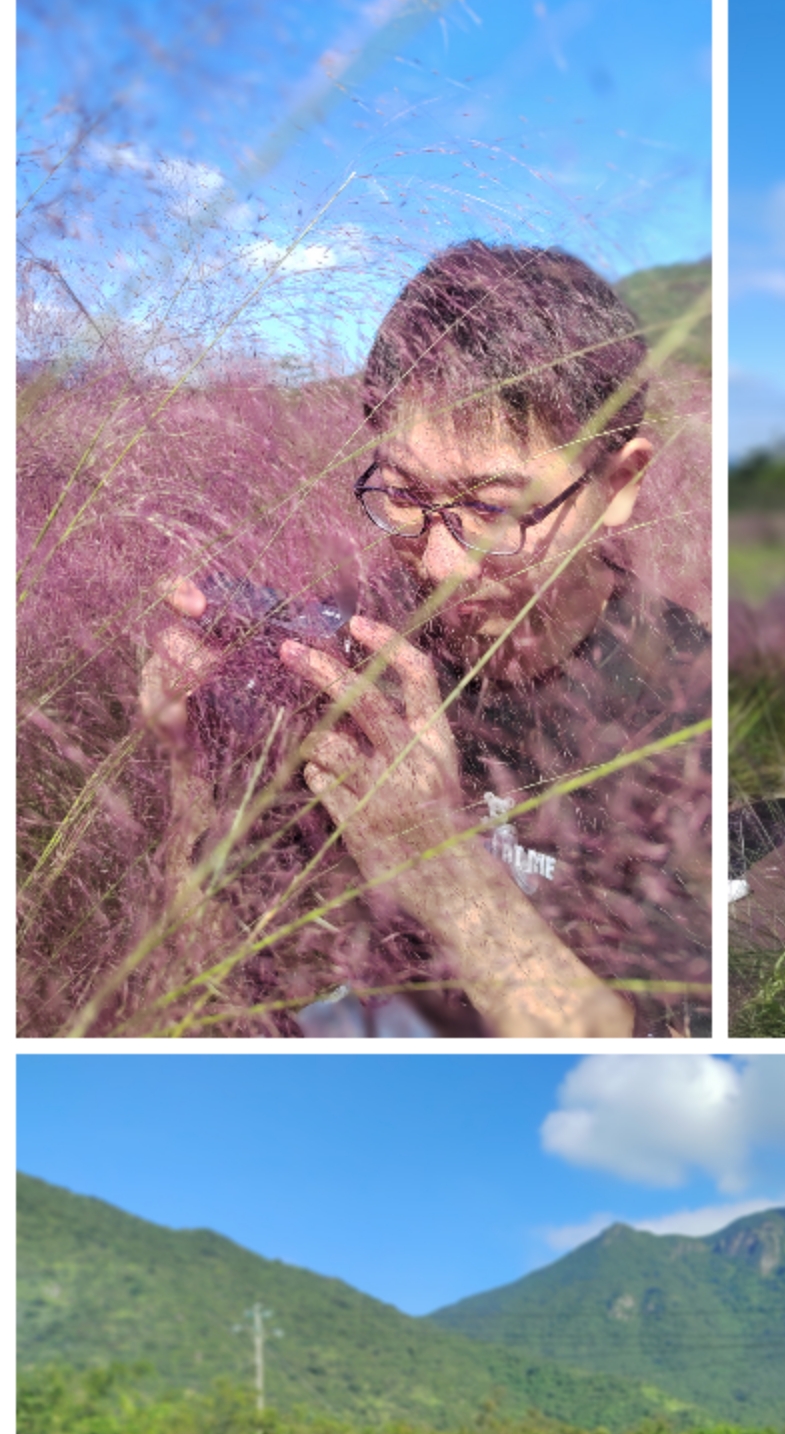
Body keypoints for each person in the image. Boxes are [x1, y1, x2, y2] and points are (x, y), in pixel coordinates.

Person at [136, 240, 711, 1038]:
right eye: (403, 495)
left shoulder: (693, 711)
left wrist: (442, 867)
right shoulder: (351, 649)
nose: (438, 565)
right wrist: (190, 765)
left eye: (493, 511)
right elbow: (197, 989)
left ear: (618, 483)